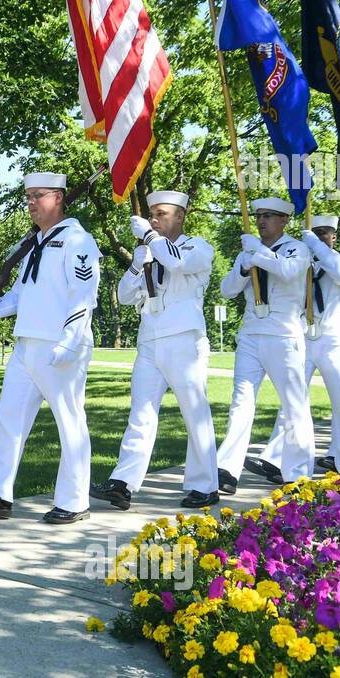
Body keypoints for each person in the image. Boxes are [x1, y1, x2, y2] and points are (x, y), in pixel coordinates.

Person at [0, 170, 100, 524]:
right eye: (28, 197)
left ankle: (74, 499)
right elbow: (22, 293)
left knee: (69, 421)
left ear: (59, 198)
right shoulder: (34, 243)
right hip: (26, 344)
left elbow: (84, 296)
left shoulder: (78, 241)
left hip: (60, 345)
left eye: (39, 195)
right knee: (8, 420)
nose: (31, 203)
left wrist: (70, 339)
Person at [91, 191, 219, 511]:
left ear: (180, 217)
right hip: (149, 340)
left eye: (161, 214)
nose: (154, 219)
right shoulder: (151, 251)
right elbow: (123, 294)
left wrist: (149, 238)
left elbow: (176, 262)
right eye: (152, 215)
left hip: (183, 340)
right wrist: (136, 265)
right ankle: (123, 483)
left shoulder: (197, 248)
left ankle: (204, 485)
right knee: (141, 413)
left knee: (194, 412)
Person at [249, 215, 340, 481]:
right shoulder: (303, 263)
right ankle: (277, 459)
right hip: (303, 334)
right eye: (315, 232)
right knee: (292, 401)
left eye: (324, 233)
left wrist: (317, 246)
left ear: (334, 236)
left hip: (332, 337)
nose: (320, 236)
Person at [215, 197, 315, 493]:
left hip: (283, 334)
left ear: (284, 220)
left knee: (294, 403)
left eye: (269, 216)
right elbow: (226, 290)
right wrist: (243, 268)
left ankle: (296, 471)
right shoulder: (249, 250)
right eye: (258, 215)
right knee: (241, 402)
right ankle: (227, 469)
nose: (261, 221)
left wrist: (257, 254)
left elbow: (287, 271)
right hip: (251, 333)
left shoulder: (297, 248)